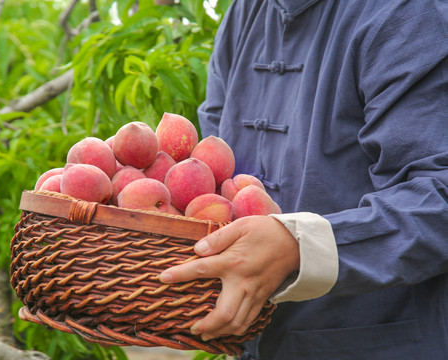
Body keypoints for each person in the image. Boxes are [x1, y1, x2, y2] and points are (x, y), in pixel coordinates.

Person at [159, 0, 448, 359]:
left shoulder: (404, 13)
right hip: (255, 345)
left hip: (376, 343)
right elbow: (211, 172)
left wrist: (300, 246)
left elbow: (439, 197)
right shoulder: (245, 12)